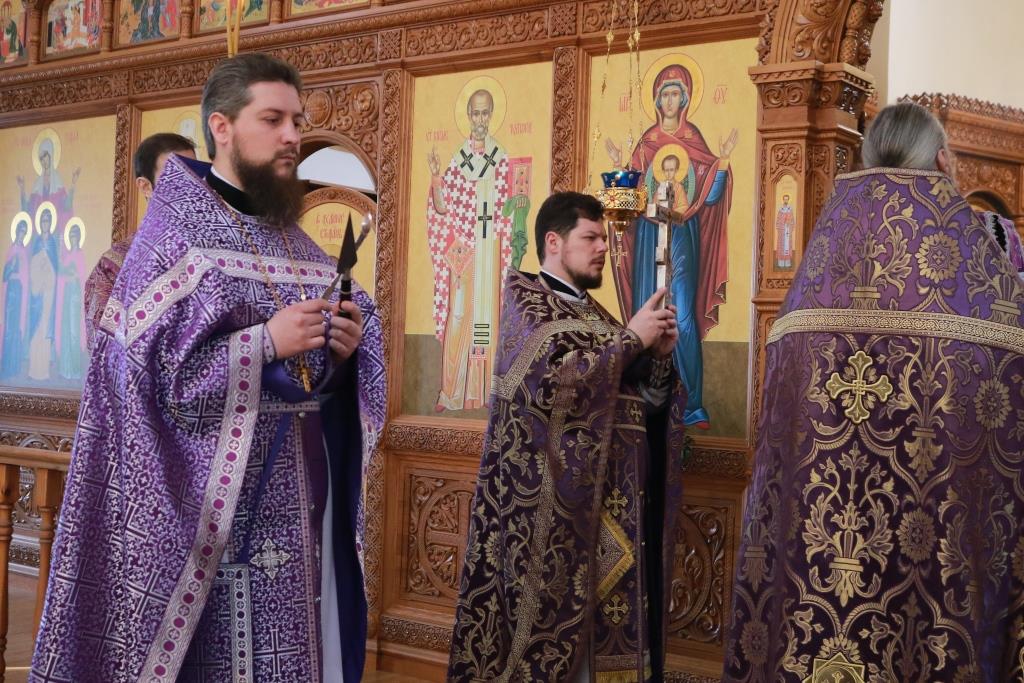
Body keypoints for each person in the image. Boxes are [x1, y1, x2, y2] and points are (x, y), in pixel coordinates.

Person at [31, 52, 386, 682]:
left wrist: (344, 349)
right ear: (221, 127)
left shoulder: (294, 241)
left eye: (297, 121)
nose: (292, 136)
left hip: (298, 521)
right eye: (273, 120)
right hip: (205, 538)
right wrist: (264, 344)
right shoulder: (173, 240)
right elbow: (143, 382)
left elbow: (324, 387)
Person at [723, 102, 1024, 682]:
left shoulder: (818, 271)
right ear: (943, 160)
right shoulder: (980, 281)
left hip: (823, 539)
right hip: (936, 527)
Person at [448, 191, 688, 682]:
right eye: (591, 237)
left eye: (604, 238)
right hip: (554, 518)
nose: (603, 248)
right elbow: (557, 389)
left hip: (617, 508)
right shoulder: (527, 306)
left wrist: (659, 360)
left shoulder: (599, 317)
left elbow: (640, 403)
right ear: (554, 242)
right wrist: (631, 341)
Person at [606, 63, 737, 429]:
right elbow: (629, 198)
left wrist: (723, 161)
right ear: (655, 99)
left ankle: (691, 402)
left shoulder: (694, 138)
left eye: (675, 93)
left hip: (681, 238)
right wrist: (619, 168)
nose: (669, 99)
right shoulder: (645, 143)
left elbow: (709, 196)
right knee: (645, 310)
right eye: (664, 93)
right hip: (649, 242)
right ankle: (640, 399)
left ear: (685, 98)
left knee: (682, 315)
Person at [426, 87, 516, 412]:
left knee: (485, 321)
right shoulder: (458, 160)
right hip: (463, 252)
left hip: (489, 251)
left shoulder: (501, 158)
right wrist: (436, 177)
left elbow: (510, 207)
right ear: (468, 116)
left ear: (491, 115)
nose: (480, 119)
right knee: (458, 315)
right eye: (475, 113)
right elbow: (441, 208)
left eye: (485, 113)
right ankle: (451, 392)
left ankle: (483, 391)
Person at [83, 132, 196, 348]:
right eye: (176, 177)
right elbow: (105, 351)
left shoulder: (211, 254)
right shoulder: (113, 267)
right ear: (145, 186)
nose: (189, 188)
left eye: (195, 176)